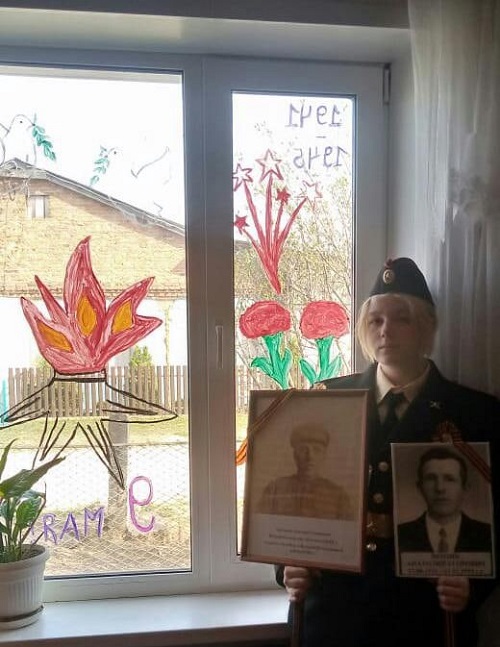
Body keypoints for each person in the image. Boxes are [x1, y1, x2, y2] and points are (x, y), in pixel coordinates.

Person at [277, 257, 500, 647]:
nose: (386, 331)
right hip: (335, 614)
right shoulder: (327, 401)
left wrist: (475, 584)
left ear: (426, 326)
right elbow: (298, 499)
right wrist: (287, 566)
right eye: (376, 320)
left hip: (424, 618)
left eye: (402, 319)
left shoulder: (476, 413)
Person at [398, 446, 493, 554]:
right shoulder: (400, 534)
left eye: (449, 479)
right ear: (420, 487)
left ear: (465, 488)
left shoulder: (487, 534)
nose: (440, 488)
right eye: (431, 478)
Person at [257, 423, 353, 520]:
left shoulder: (338, 496)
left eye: (317, 450)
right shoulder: (275, 490)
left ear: (324, 455)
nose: (310, 457)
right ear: (295, 455)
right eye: (303, 449)